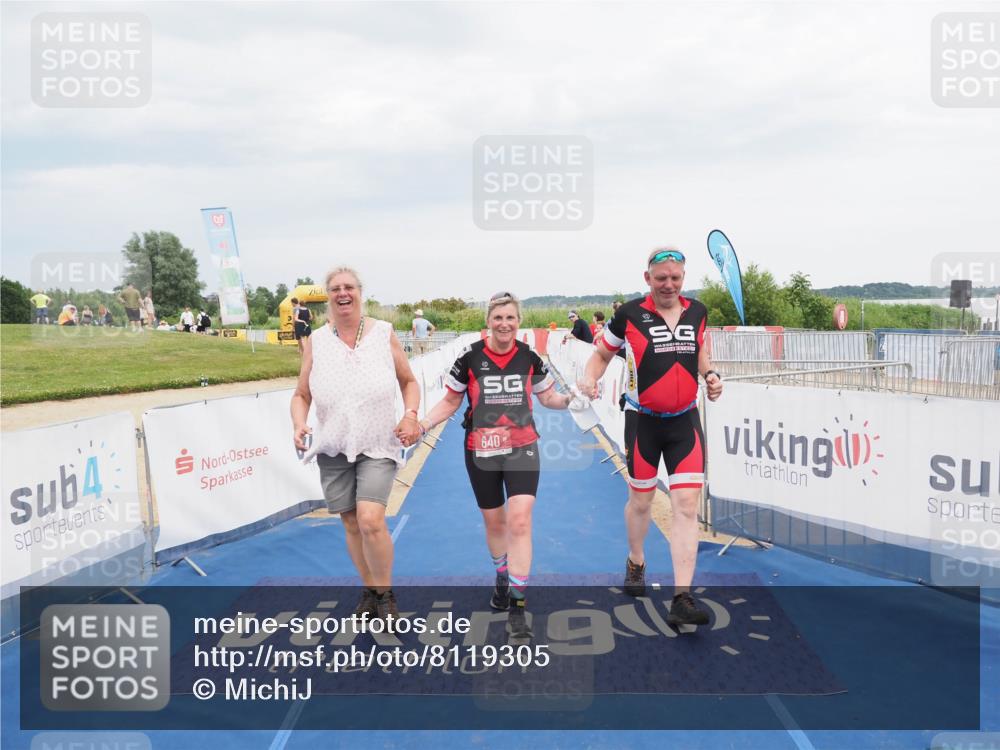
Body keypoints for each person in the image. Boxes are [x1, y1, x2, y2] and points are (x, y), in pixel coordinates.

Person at [418, 292, 578, 642]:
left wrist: (571, 400)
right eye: (498, 318)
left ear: (518, 322)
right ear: (488, 321)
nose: (505, 324)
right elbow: (449, 401)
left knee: (520, 520)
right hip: (481, 451)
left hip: (522, 448)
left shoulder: (529, 357)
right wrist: (422, 425)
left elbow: (548, 397)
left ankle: (518, 605)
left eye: (511, 318)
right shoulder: (471, 358)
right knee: (496, 521)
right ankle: (502, 575)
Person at [578, 246, 724, 626]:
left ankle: (682, 597)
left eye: (675, 278)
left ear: (683, 279)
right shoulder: (628, 314)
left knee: (687, 506)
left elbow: (701, 348)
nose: (669, 285)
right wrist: (590, 379)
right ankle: (637, 560)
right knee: (641, 502)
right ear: (648, 279)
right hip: (642, 422)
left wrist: (710, 374)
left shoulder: (697, 312)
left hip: (684, 422)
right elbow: (601, 356)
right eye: (661, 278)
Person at [291, 267, 421, 623]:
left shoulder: (384, 333)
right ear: (328, 296)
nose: (342, 293)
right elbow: (301, 394)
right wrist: (299, 422)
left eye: (349, 287)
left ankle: (386, 594)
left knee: (370, 519)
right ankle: (370, 590)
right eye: (335, 288)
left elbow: (409, 381)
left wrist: (410, 414)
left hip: (378, 443)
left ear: (360, 293)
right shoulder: (316, 340)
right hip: (333, 446)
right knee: (350, 523)